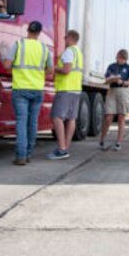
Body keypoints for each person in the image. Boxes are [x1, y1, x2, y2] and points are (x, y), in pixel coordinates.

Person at [9, 21, 53, 165]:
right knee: (32, 122)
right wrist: (38, 74)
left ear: (27, 31)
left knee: (22, 122)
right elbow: (51, 70)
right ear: (39, 33)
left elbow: (7, 64)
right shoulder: (44, 48)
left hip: (20, 88)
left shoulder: (19, 44)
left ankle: (21, 156)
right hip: (37, 89)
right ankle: (28, 154)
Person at [48, 29, 83, 160]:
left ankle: (61, 149)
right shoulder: (78, 52)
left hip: (65, 89)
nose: (64, 39)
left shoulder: (69, 51)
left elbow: (66, 70)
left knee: (57, 117)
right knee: (71, 119)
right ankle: (65, 147)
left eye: (65, 37)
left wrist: (54, 68)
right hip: (75, 89)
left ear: (70, 38)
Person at [99, 49, 129, 151]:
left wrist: (122, 82)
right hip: (112, 91)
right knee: (108, 116)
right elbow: (107, 77)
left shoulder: (128, 68)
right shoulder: (111, 66)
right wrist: (111, 79)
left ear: (125, 59)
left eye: (122, 59)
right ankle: (102, 139)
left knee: (121, 117)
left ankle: (118, 142)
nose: (119, 60)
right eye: (118, 58)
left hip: (123, 91)